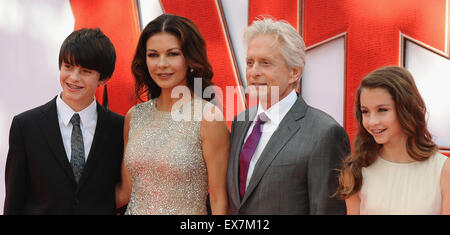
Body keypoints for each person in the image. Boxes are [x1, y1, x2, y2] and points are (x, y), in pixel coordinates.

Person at [226, 18, 350, 215]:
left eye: (265, 63)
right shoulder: (240, 123)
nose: (253, 72)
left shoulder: (324, 133)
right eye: (250, 62)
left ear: (294, 72)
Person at [115, 14, 230, 215]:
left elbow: (219, 198)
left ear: (190, 58)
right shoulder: (134, 116)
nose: (161, 64)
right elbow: (126, 191)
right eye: (153, 55)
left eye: (172, 54)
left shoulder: (207, 117)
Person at [4, 28, 124, 214]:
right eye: (68, 67)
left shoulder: (119, 128)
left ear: (104, 78)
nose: (73, 78)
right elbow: (14, 199)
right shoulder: (26, 125)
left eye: (85, 71)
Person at [338, 66, 450, 215]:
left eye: (382, 110)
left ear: (407, 109)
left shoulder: (443, 170)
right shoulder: (356, 171)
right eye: (365, 111)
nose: (372, 121)